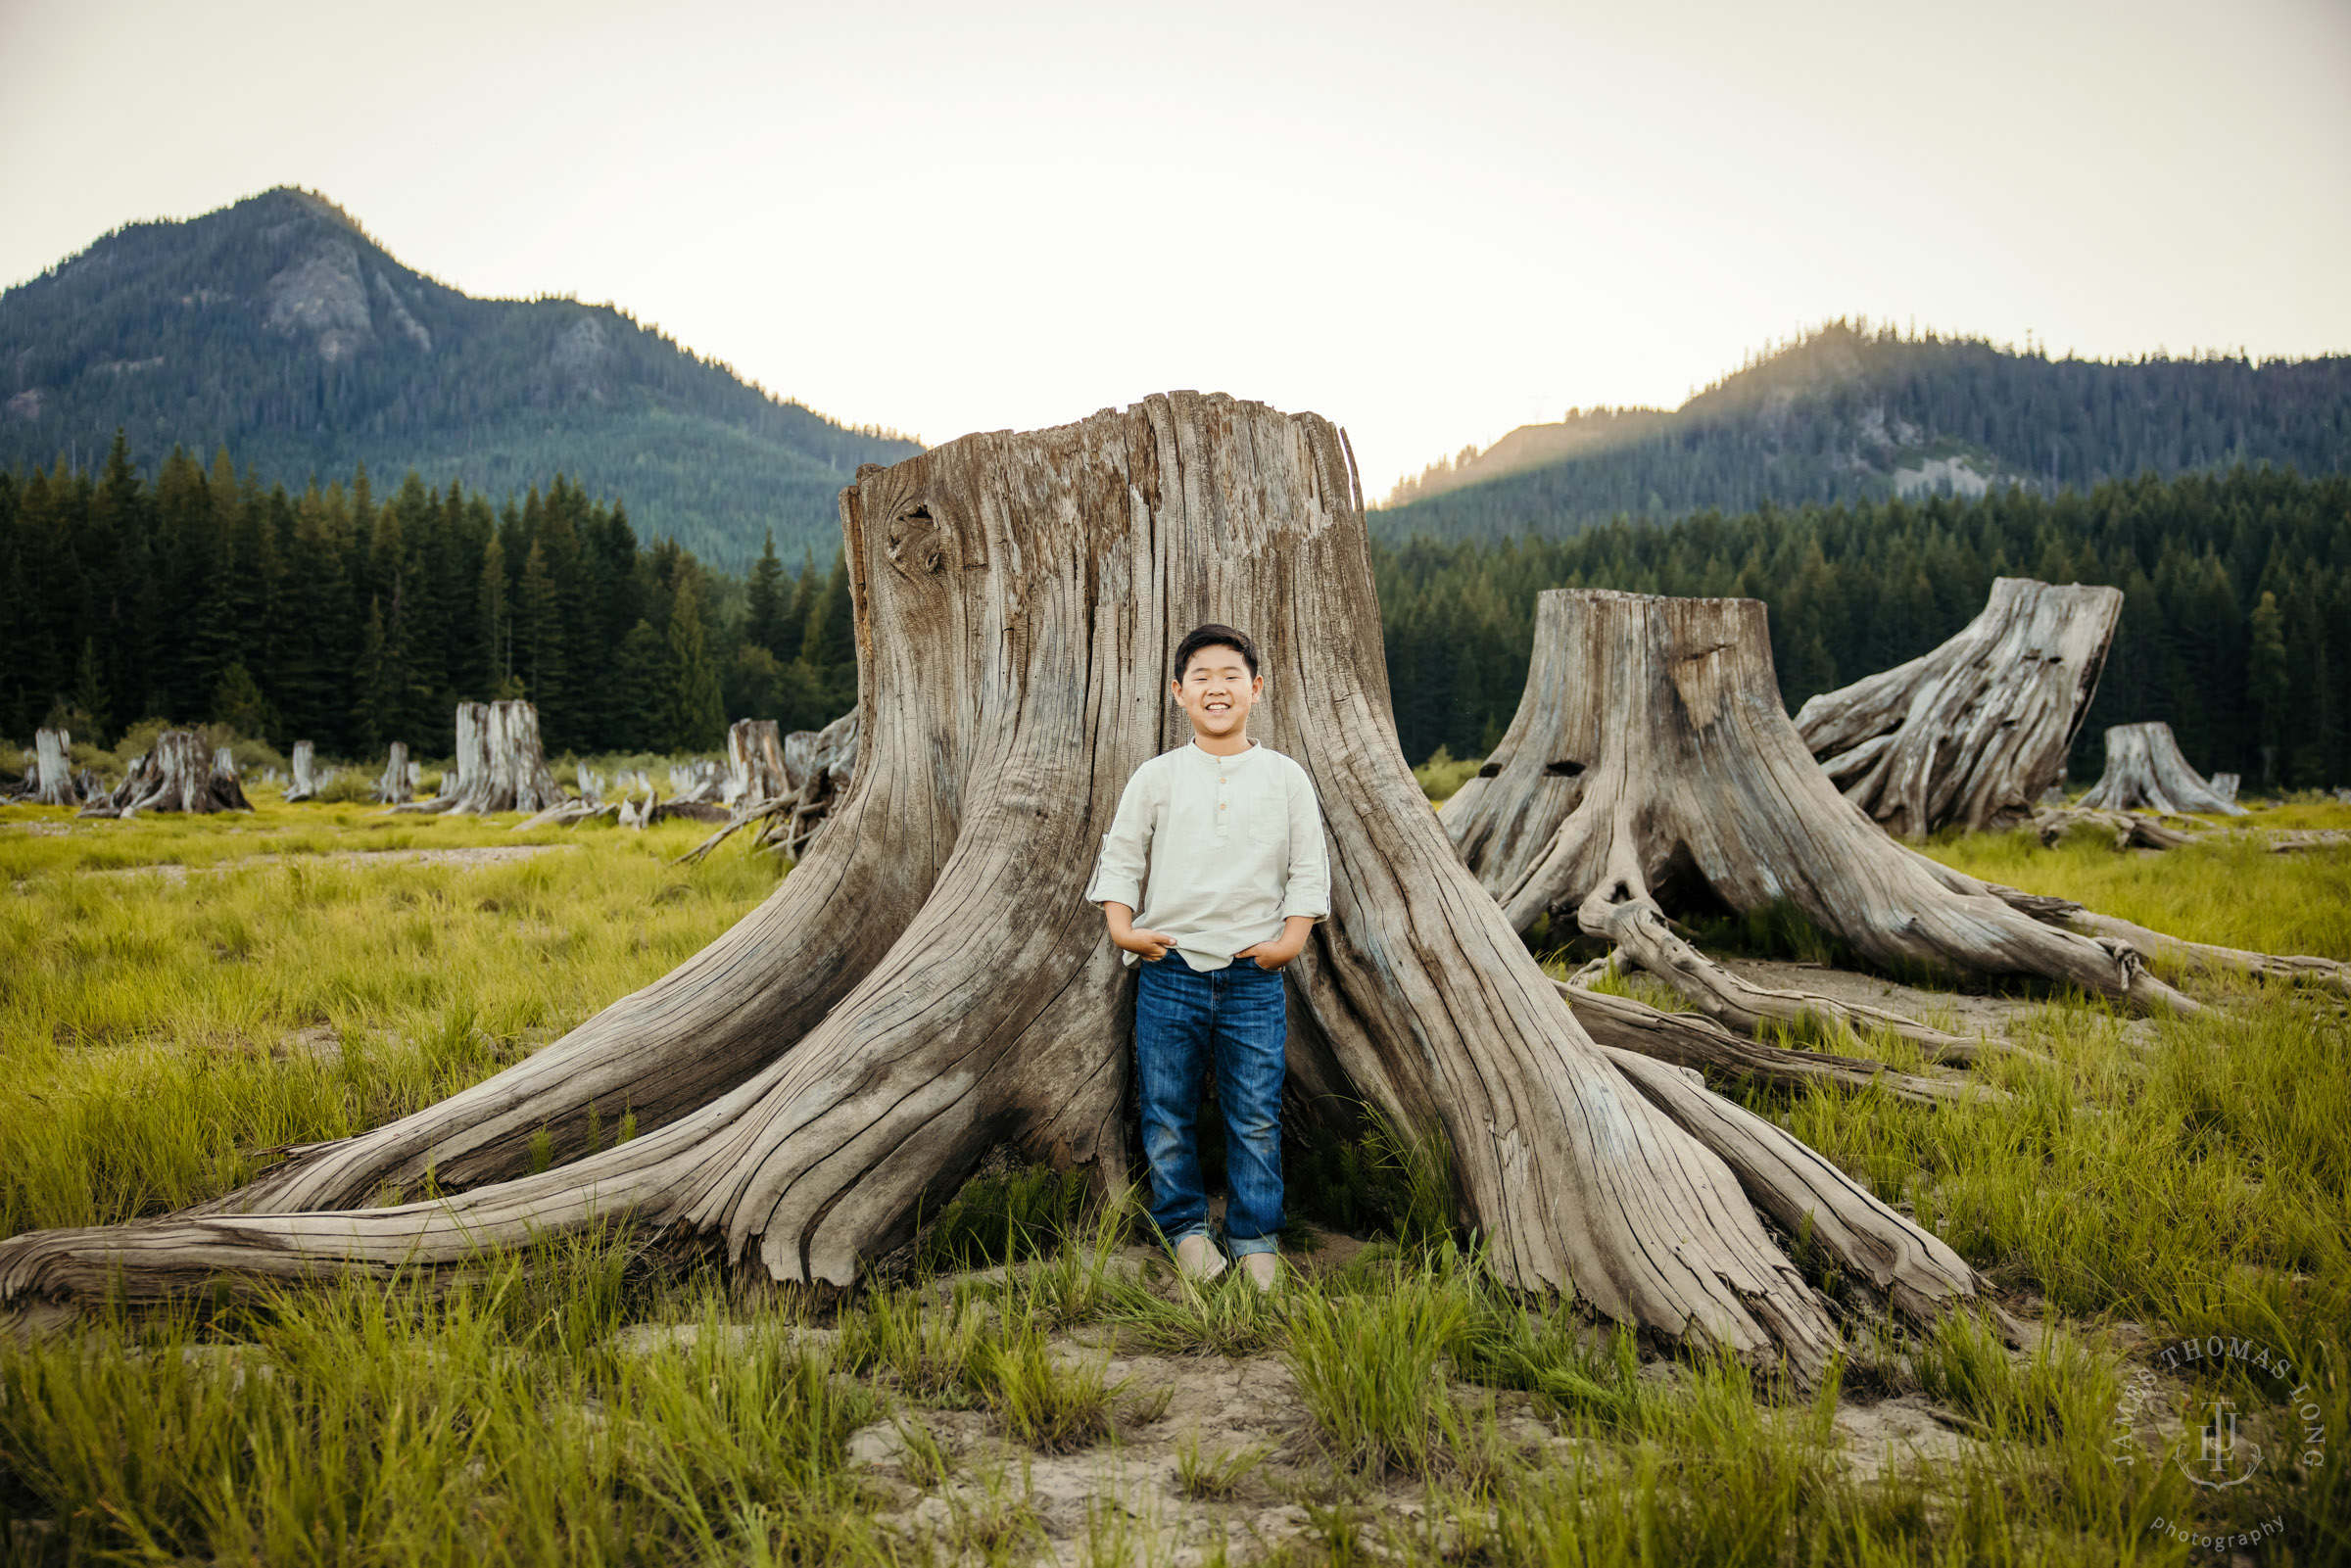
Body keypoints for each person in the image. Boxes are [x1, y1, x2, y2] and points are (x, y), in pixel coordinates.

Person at [1084, 623, 1330, 1289]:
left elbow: (1309, 867)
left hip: (1255, 974)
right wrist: (1123, 929)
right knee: (1167, 1109)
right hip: (1170, 970)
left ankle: (1254, 1235)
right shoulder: (1158, 776)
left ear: (1255, 687)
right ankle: (1185, 1228)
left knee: (1254, 1112)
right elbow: (1122, 853)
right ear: (1178, 692)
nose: (1216, 687)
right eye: (1201, 676)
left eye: (1230, 675)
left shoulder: (1284, 777)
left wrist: (1291, 940)